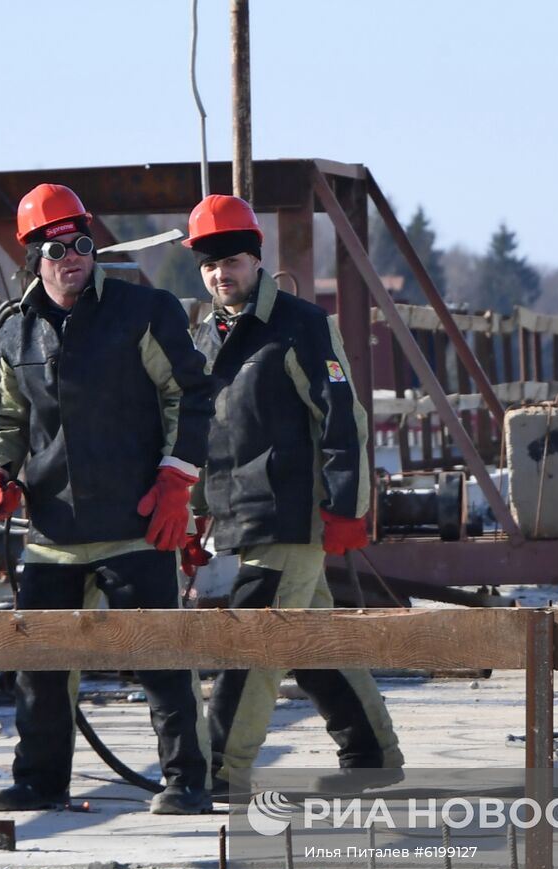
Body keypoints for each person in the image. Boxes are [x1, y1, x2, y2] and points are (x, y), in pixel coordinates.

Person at [0, 182, 215, 815]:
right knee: (41, 667)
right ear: (33, 257)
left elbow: (188, 396)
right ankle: (41, 780)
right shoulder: (14, 331)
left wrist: (175, 480)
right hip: (52, 532)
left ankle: (186, 780)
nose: (73, 255)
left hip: (136, 521)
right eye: (57, 248)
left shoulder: (144, 312)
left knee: (160, 659)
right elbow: (3, 416)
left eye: (82, 241)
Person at [180, 194, 403, 796]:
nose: (219, 274)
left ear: (256, 259)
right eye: (207, 265)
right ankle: (373, 755)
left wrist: (347, 510)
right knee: (309, 639)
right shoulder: (205, 337)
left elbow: (343, 419)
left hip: (290, 515)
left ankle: (219, 775)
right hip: (239, 518)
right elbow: (208, 435)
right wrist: (193, 514)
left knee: (251, 642)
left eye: (230, 261)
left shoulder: (301, 326)